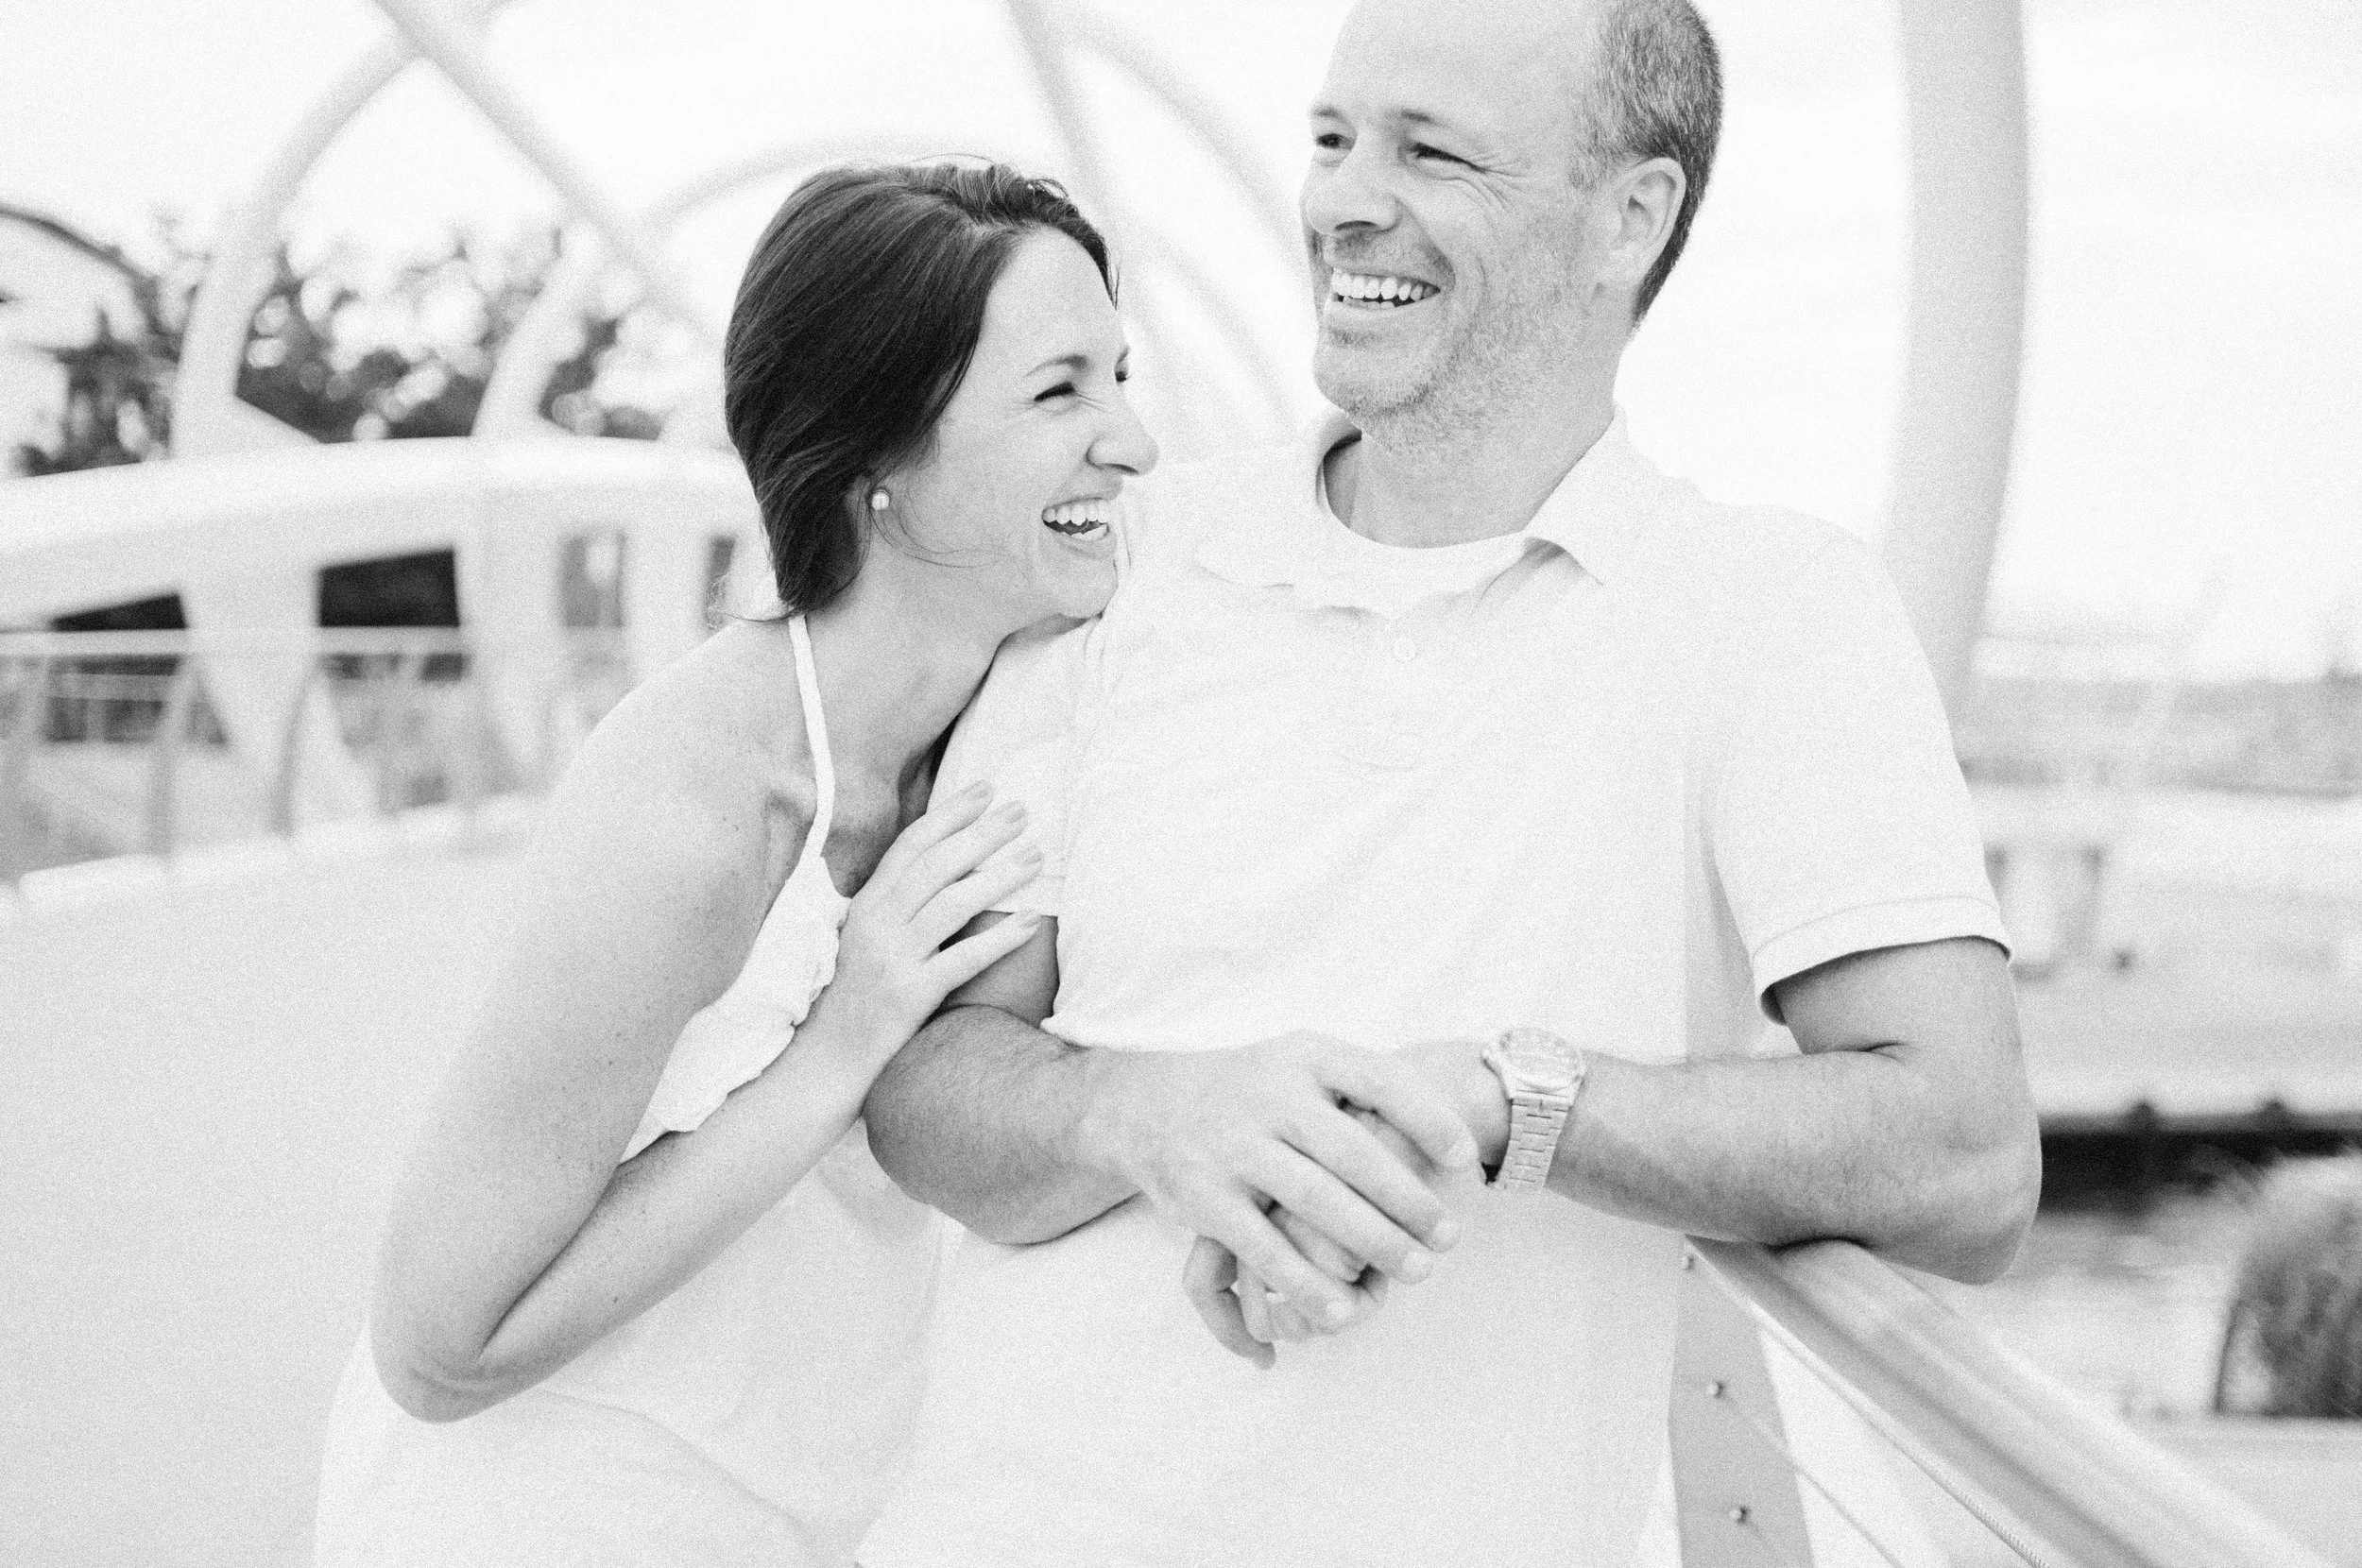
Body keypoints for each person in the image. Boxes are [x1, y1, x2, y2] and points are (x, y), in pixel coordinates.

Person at [853, 2, 2042, 1564]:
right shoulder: (1126, 558)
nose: (1345, 200)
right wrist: (1149, 1113)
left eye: (1433, 154)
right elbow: (924, 1091)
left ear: (1631, 216)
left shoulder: (1771, 609)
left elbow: (1966, 1159)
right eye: (1334, 138)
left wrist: (1505, 1102)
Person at [312, 160, 1157, 1567]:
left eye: (1119, 377)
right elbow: (439, 1344)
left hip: (808, 1513)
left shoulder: (999, 740)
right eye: (1059, 392)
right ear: (880, 458)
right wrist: (843, 1044)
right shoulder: (695, 808)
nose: (1133, 442)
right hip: (551, 1516)